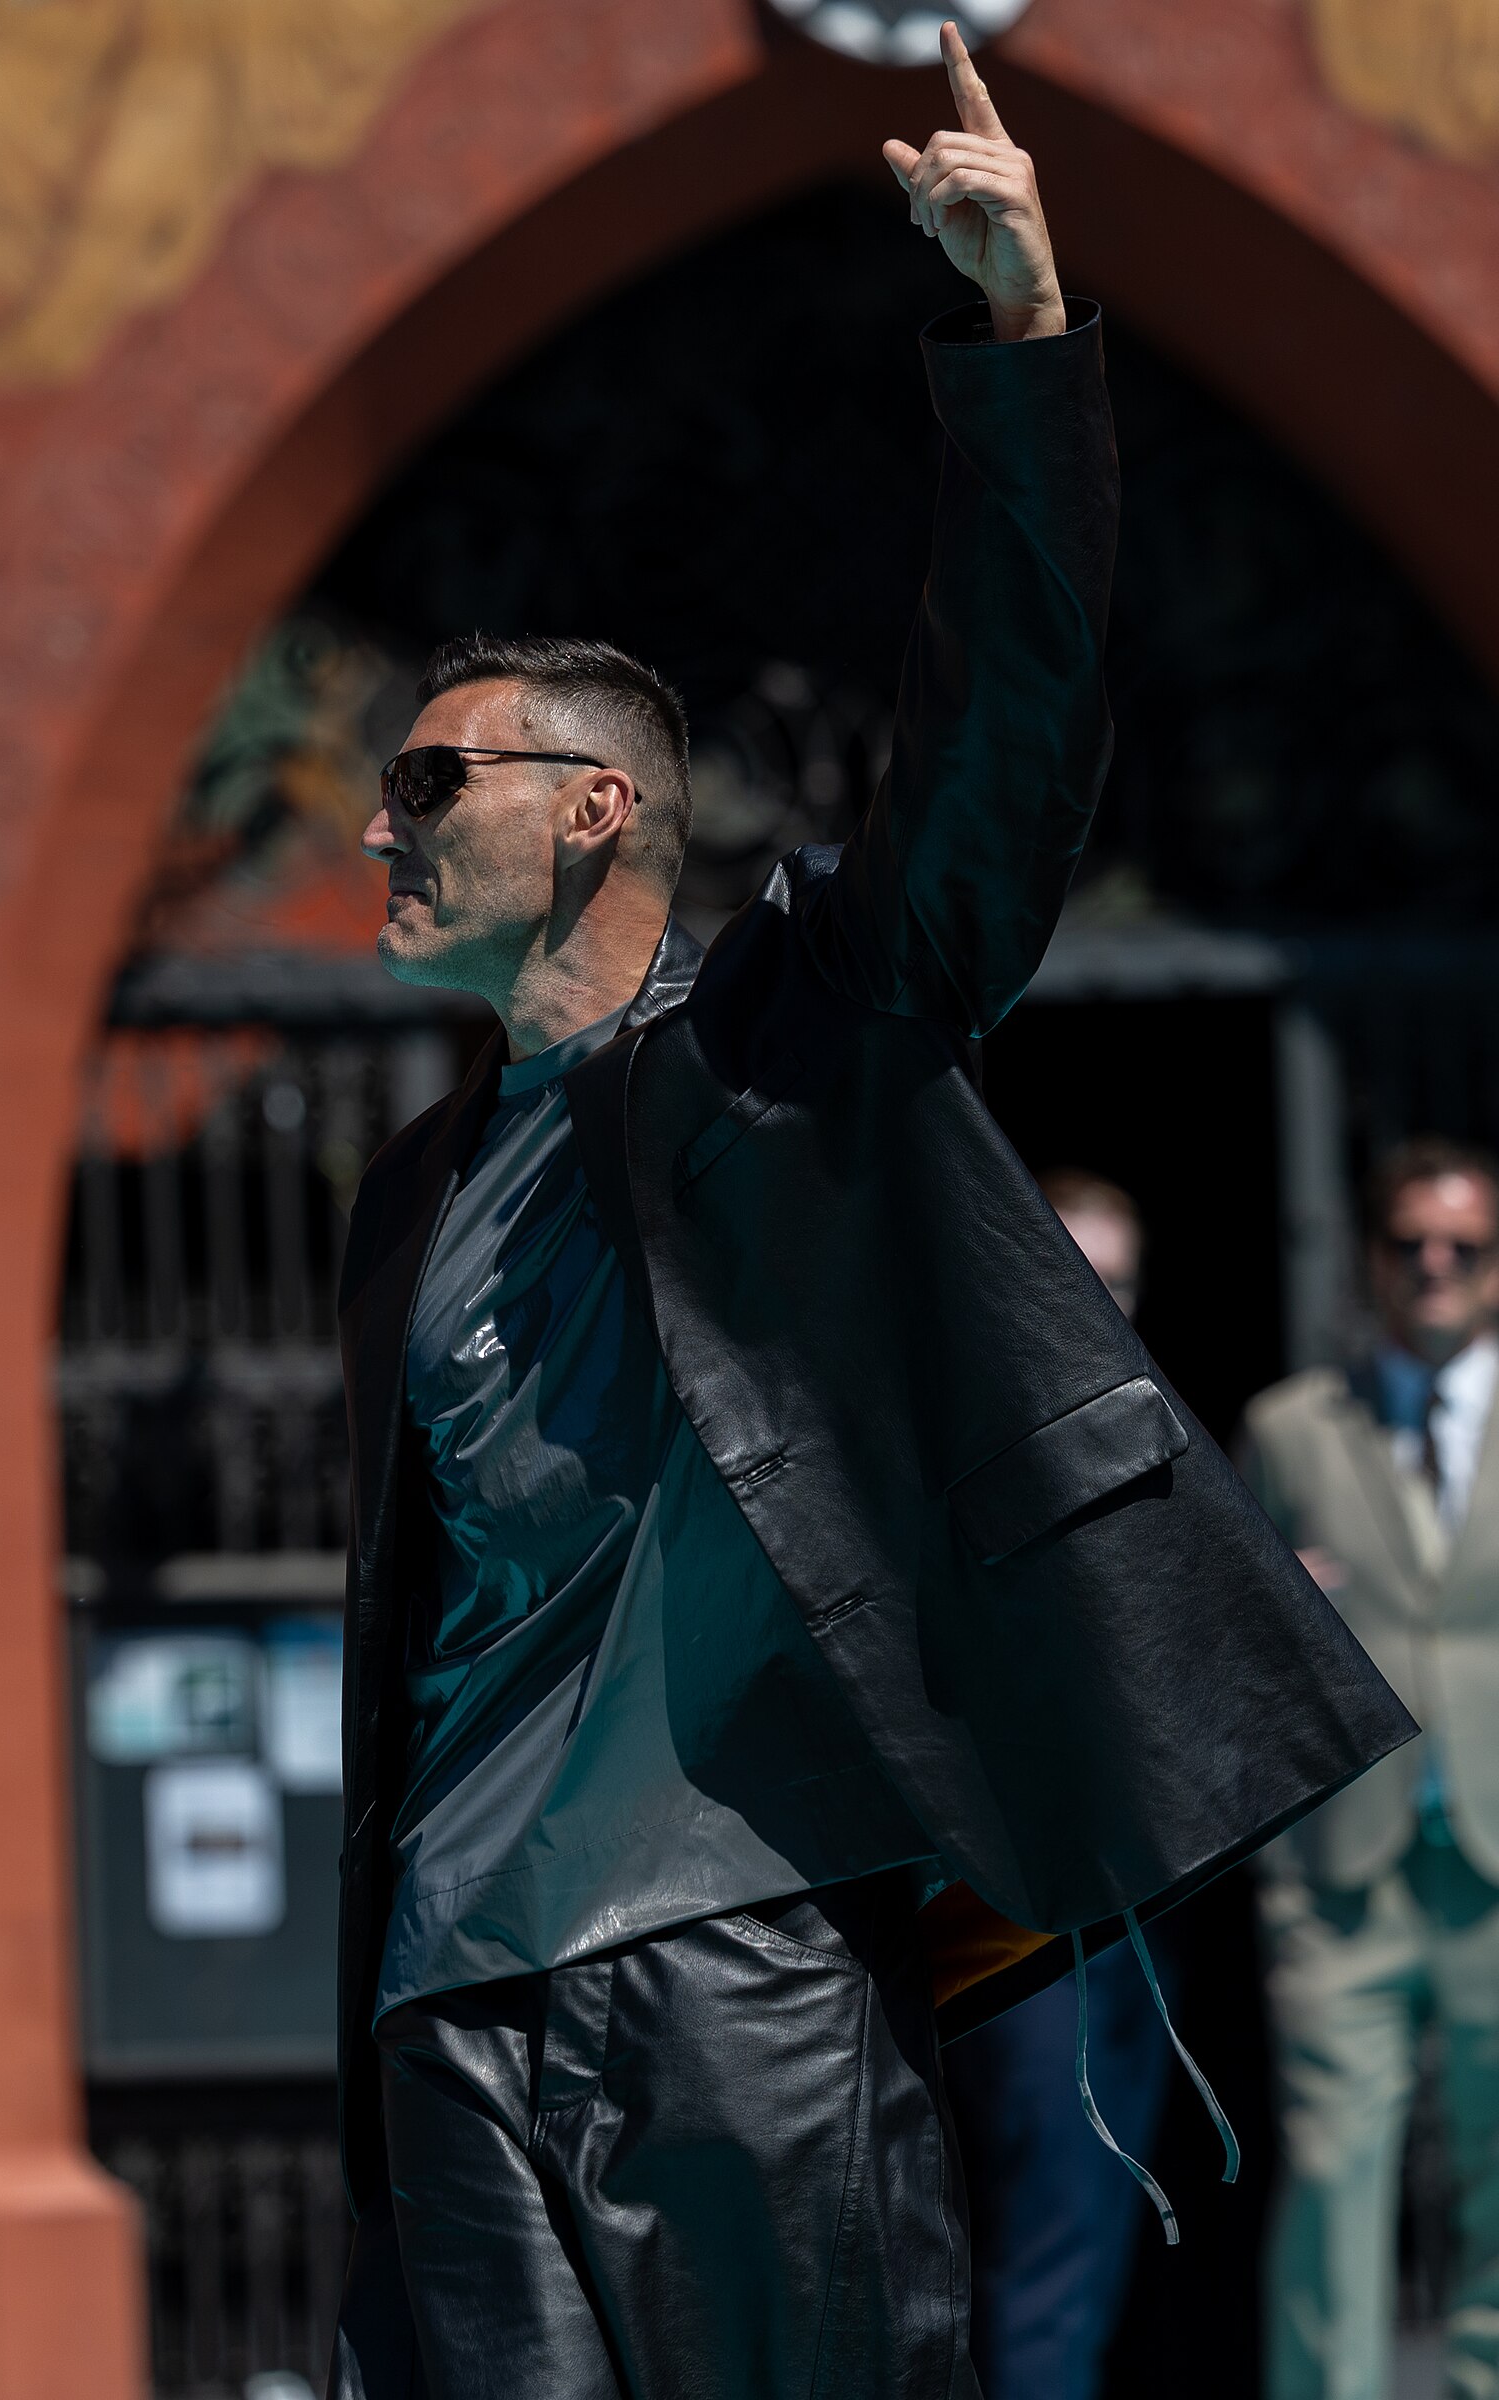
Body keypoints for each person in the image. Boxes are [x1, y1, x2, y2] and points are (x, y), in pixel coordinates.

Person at [328, 30, 1412, 2399]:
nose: (377, 826)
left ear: (598, 809)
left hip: (740, 1949)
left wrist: (1021, 338)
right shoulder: (410, 1194)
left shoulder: (792, 1039)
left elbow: (1002, 740)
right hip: (446, 1981)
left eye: (428, 779)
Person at [1242, 1136, 1499, 2400]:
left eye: (1464, 1247)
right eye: (1411, 1244)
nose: (1435, 1266)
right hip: (1346, 1870)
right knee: (1337, 2178)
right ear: (1371, 1259)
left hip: (1496, 1862)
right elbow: (1221, 1645)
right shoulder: (1291, 1427)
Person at [945, 1171, 1182, 2400]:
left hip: (1138, 1920)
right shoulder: (958, 1443)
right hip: (1019, 1920)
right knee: (1036, 2248)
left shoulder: (1160, 1440)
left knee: (1087, 2243)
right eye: (1072, 1269)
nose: (1096, 1301)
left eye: (1118, 1279)